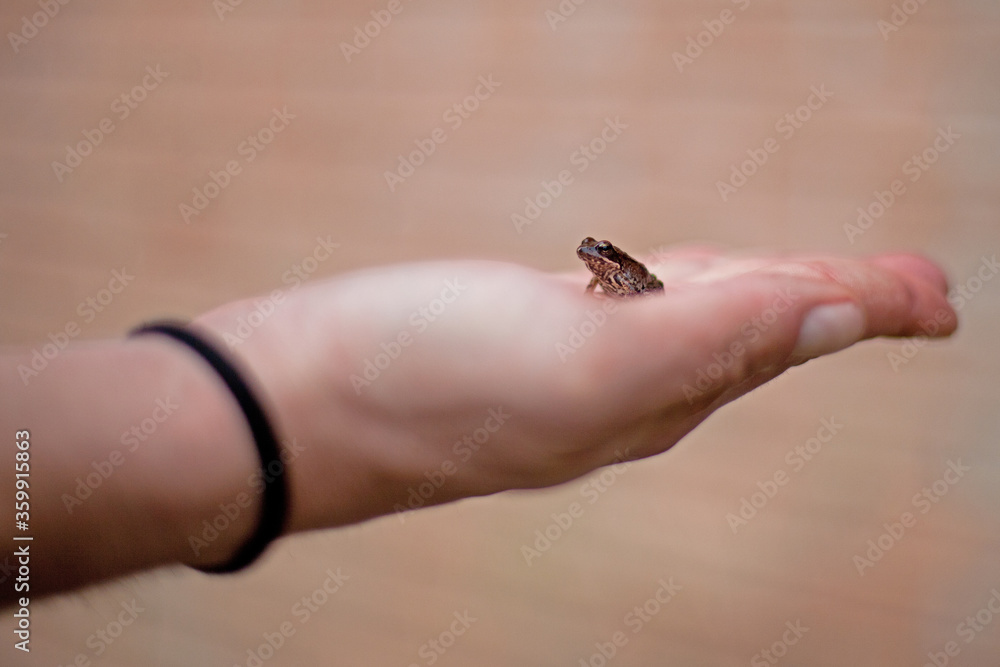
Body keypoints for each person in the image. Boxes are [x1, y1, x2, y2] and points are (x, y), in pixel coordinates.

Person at [0, 247, 957, 603]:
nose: (592, 261)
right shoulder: (600, 272)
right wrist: (313, 390)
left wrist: (312, 390)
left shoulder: (622, 275)